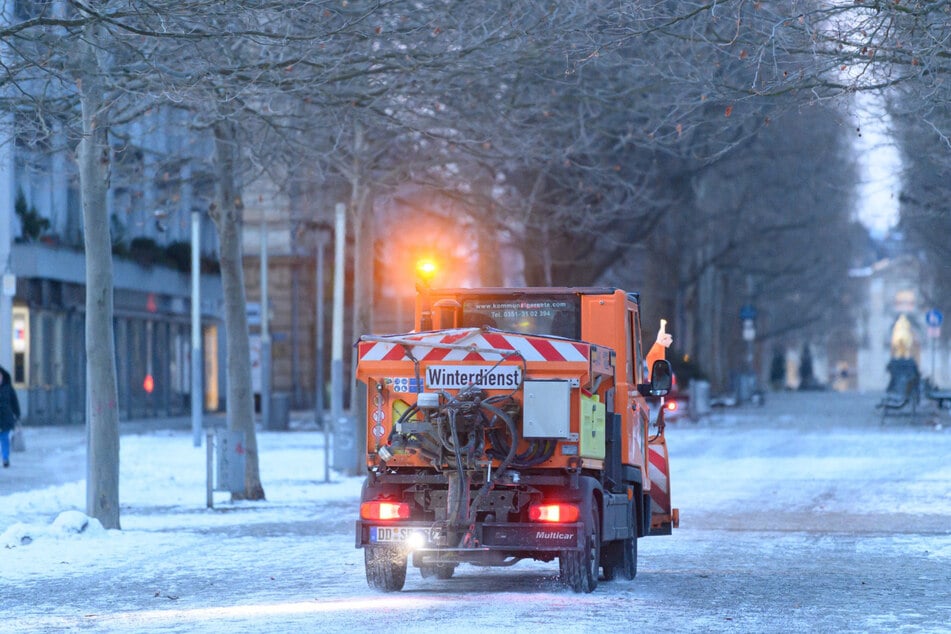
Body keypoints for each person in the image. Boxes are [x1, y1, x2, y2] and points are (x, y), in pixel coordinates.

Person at [0, 365, 21, 468]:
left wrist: (17, 415)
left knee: (4, 438)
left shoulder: (8, 388)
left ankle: (5, 458)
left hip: (5, 418)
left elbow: (14, 402)